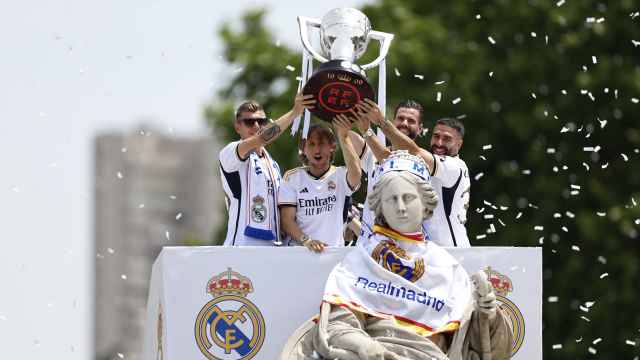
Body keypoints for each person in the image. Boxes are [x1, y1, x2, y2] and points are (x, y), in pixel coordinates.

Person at [281, 152, 512, 360]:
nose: (401, 207)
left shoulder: (447, 267)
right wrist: (363, 345)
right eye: (392, 199)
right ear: (379, 206)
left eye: (408, 198)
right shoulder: (362, 258)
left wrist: (488, 317)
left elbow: (481, 347)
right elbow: (338, 326)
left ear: (425, 204)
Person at [351, 99, 471, 247]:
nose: (439, 143)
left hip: (452, 252)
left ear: (459, 144)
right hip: (423, 253)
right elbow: (387, 158)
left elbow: (413, 151)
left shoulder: (455, 166)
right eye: (436, 136)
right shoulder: (421, 162)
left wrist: (381, 121)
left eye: (447, 139)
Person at [218, 93, 315, 246]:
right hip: (241, 247)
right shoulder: (230, 152)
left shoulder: (273, 164)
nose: (256, 126)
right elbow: (262, 138)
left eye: (261, 121)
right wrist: (295, 112)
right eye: (249, 122)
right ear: (237, 127)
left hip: (272, 249)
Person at [279, 114, 361, 253]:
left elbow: (356, 175)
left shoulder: (341, 175)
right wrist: (307, 241)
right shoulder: (292, 177)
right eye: (311, 144)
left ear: (332, 147)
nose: (317, 150)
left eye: (322, 143)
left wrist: (343, 136)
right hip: (299, 254)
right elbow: (286, 220)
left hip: (333, 254)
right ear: (304, 149)